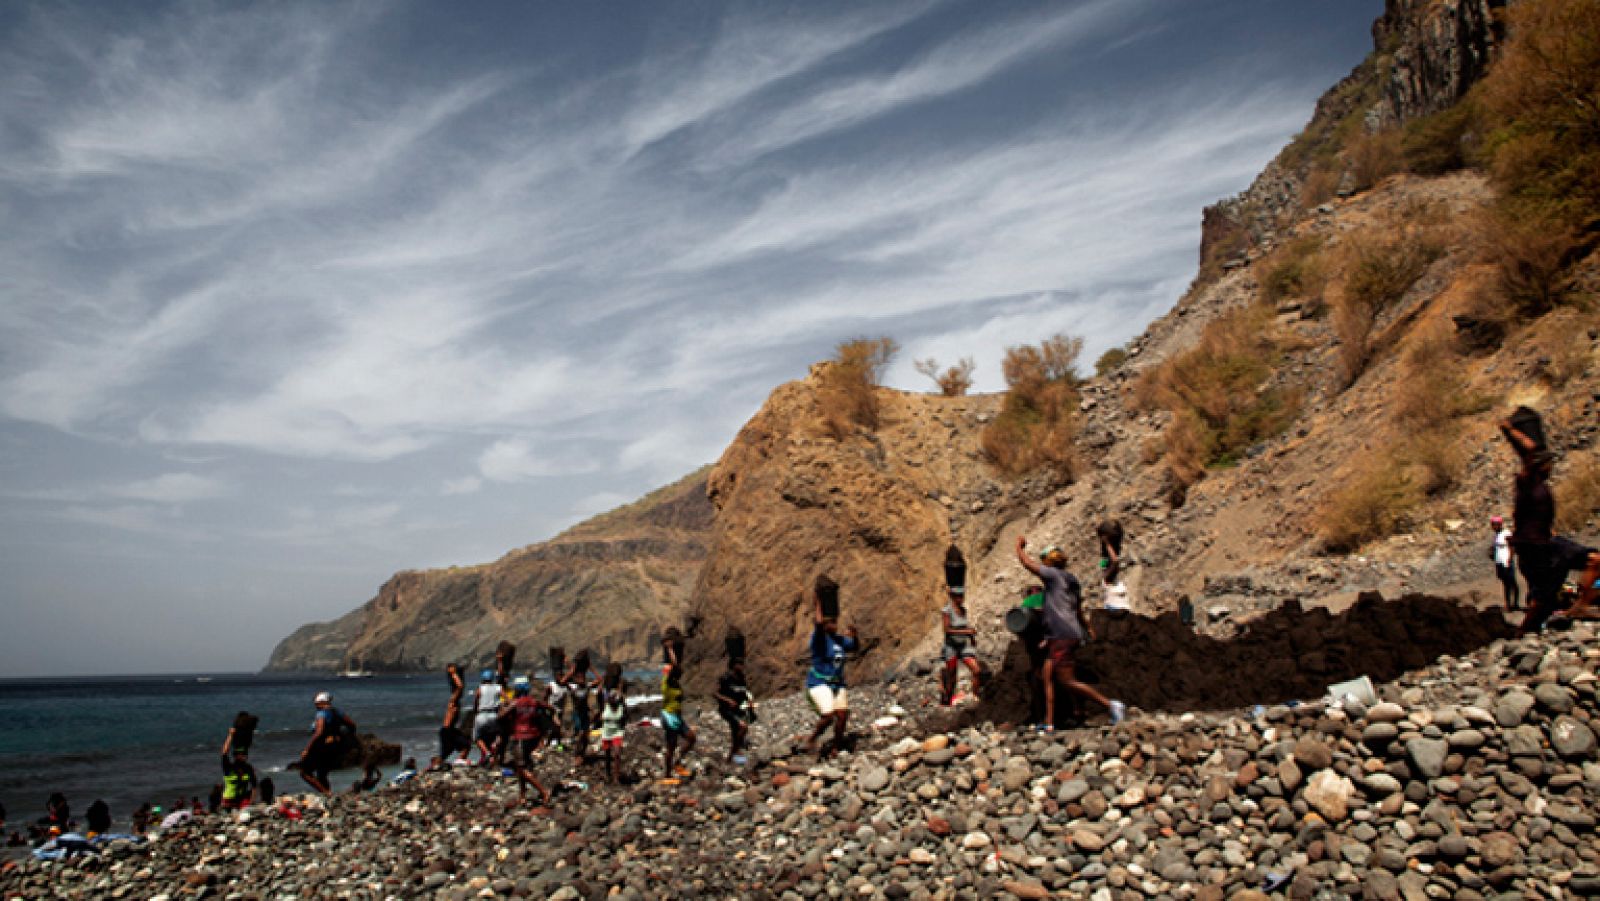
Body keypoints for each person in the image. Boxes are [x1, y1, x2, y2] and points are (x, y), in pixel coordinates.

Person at [1499, 414, 1600, 631]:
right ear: (1539, 465)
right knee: (1543, 602)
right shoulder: (1527, 482)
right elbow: (1530, 450)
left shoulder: (1540, 486)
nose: (1551, 467)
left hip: (1548, 542)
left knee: (1595, 560)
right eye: (1548, 464)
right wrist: (1510, 429)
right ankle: (1520, 636)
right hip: (1533, 548)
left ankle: (1581, 605)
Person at [1016, 535, 1125, 732]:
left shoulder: (1053, 576)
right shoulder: (1071, 580)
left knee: (1067, 680)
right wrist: (1087, 628)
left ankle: (1111, 705)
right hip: (1063, 634)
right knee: (1046, 676)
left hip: (1061, 634)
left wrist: (1019, 546)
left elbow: (1026, 563)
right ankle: (1049, 722)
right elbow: (1077, 610)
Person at [802, 587, 858, 757]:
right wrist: (818, 604)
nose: (833, 624)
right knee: (828, 715)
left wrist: (855, 636)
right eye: (829, 622)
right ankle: (812, 738)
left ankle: (836, 746)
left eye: (834, 621)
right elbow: (818, 623)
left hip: (837, 683)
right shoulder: (819, 639)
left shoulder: (840, 640)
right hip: (819, 682)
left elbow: (855, 647)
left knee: (842, 715)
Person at [505, 677, 553, 808]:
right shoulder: (534, 702)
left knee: (521, 767)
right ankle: (522, 795)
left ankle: (543, 791)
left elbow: (502, 715)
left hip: (521, 736)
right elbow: (550, 707)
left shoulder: (516, 703)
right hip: (534, 736)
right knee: (522, 765)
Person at [296, 692, 355, 795]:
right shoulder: (338, 712)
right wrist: (345, 738)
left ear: (321, 703)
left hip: (321, 747)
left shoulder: (321, 713)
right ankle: (328, 795)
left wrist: (307, 749)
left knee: (304, 772)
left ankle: (326, 793)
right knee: (322, 773)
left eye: (316, 703)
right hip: (335, 746)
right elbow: (352, 725)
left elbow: (319, 732)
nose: (315, 706)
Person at [659, 630, 697, 783]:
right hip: (668, 716)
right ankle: (667, 774)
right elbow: (674, 665)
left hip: (677, 716)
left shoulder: (675, 683)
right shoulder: (666, 682)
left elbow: (677, 666)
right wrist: (669, 649)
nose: (681, 673)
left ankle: (677, 763)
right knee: (671, 746)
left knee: (691, 738)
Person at [939, 585, 982, 706]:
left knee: (976, 670)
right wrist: (966, 632)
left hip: (963, 646)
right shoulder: (946, 611)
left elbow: (965, 626)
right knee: (952, 676)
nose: (960, 598)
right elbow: (947, 630)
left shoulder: (963, 610)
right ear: (952, 597)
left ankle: (975, 698)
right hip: (951, 646)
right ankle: (947, 700)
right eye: (958, 596)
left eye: (962, 596)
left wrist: (971, 637)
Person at [714, 657, 753, 764]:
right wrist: (728, 700)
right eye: (739, 664)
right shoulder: (725, 678)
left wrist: (749, 701)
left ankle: (734, 757)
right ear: (733, 665)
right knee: (743, 727)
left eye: (742, 664)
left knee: (736, 733)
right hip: (726, 709)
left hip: (738, 710)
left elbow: (744, 692)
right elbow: (715, 693)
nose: (741, 666)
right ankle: (731, 755)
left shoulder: (742, 678)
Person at [562, 650, 597, 761]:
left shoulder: (587, 686)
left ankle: (581, 754)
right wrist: (572, 670)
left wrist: (591, 668)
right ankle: (577, 754)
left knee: (585, 735)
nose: (582, 679)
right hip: (577, 714)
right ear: (576, 679)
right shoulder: (573, 688)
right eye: (579, 677)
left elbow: (600, 680)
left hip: (585, 714)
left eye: (583, 677)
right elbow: (563, 681)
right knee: (581, 734)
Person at [598, 664, 628, 784]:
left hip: (617, 728)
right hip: (607, 727)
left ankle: (616, 777)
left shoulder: (618, 692)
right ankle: (608, 773)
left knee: (616, 753)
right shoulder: (605, 692)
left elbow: (620, 699)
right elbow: (601, 695)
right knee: (607, 754)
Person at [220, 721, 256, 810]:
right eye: (238, 754)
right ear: (235, 756)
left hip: (243, 799)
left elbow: (254, 785)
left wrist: (252, 800)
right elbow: (224, 752)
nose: (241, 756)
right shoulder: (229, 767)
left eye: (244, 754)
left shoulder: (248, 768)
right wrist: (230, 735)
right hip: (229, 800)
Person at [439, 663, 471, 763]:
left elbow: (460, 685)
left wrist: (455, 673)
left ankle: (458, 762)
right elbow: (460, 686)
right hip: (447, 731)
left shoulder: (454, 700)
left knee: (465, 746)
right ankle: (458, 763)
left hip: (449, 730)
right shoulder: (453, 700)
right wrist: (454, 674)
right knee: (446, 753)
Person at [471, 669, 502, 765]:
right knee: (498, 733)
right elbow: (507, 699)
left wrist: (475, 711)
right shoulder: (498, 688)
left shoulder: (480, 689)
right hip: (494, 715)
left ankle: (487, 753)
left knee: (476, 737)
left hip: (482, 715)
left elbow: (475, 702)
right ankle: (495, 745)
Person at [1490, 514, 1520, 610]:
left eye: (1496, 524)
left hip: (1506, 562)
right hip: (1499, 562)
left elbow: (1512, 547)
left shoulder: (1506, 533)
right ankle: (1507, 603)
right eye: (1493, 525)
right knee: (1505, 584)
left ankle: (1515, 603)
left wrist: (1509, 559)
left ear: (1500, 524)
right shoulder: (1496, 535)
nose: (1494, 527)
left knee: (1512, 583)